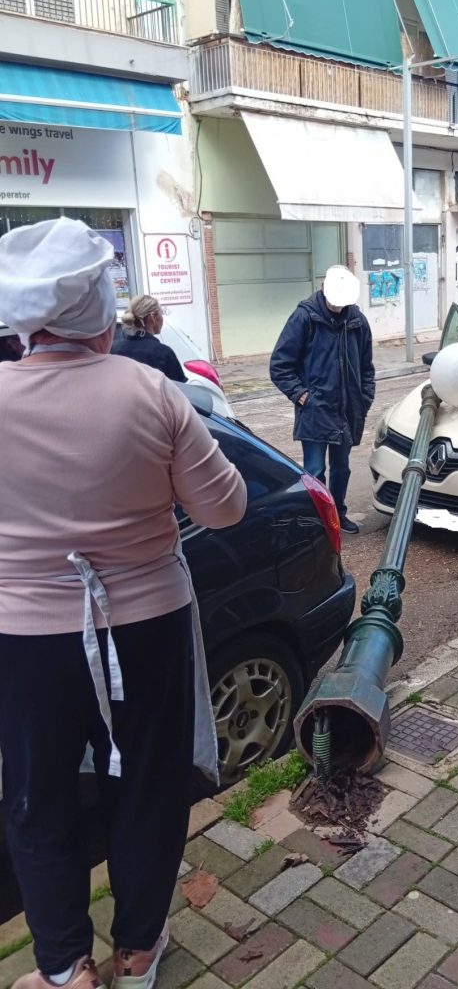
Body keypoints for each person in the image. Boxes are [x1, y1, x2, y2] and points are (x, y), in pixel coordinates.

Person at [0, 218, 247, 989]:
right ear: (102, 313)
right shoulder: (152, 390)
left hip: (24, 635)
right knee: (146, 782)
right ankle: (137, 951)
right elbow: (226, 509)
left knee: (38, 795)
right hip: (148, 623)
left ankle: (63, 968)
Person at [269, 265, 375, 534]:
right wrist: (302, 395)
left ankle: (338, 514)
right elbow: (280, 365)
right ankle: (318, 521)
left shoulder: (358, 322)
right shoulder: (305, 318)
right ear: (324, 289)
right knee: (314, 471)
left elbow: (366, 367)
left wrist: (364, 398)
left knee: (342, 468)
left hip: (347, 410)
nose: (339, 306)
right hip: (316, 409)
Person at [111, 294, 186, 382]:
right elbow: (179, 389)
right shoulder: (163, 353)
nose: (162, 318)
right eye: (161, 314)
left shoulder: (113, 350)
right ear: (153, 317)